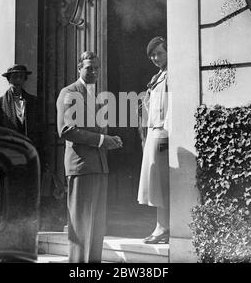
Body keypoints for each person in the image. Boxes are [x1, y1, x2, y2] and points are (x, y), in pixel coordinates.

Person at [56, 51, 123, 263]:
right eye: (88, 68)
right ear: (79, 68)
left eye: (96, 68)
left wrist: (110, 140)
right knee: (81, 227)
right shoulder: (68, 92)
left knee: (96, 229)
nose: (93, 72)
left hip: (100, 166)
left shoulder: (97, 96)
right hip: (81, 167)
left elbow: (96, 130)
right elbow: (66, 130)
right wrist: (103, 140)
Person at [138, 36, 170, 244]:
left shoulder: (171, 75)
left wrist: (167, 134)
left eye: (159, 53)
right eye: (152, 56)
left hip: (163, 134)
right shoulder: (157, 77)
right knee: (155, 182)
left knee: (160, 183)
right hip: (153, 132)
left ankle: (163, 227)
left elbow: (172, 107)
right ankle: (162, 226)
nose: (156, 58)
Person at [0, 64, 38, 144]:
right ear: (8, 79)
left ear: (25, 80)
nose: (18, 80)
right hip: (10, 148)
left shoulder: (33, 101)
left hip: (29, 148)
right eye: (14, 77)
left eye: (21, 77)